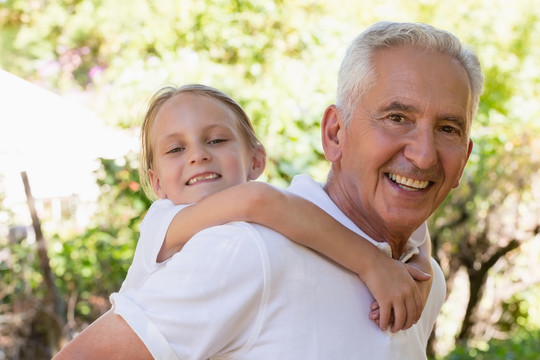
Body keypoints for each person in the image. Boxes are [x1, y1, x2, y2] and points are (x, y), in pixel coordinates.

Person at [54, 21, 483, 359]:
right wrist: (373, 263)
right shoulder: (245, 249)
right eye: (396, 118)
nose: (424, 155)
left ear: (462, 159)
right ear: (335, 133)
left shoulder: (422, 281)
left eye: (447, 129)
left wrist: (418, 264)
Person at [120, 84, 432, 335]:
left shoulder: (271, 224)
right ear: (156, 182)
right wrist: (373, 265)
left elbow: (419, 231)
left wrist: (417, 270)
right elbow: (259, 200)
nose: (198, 155)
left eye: (216, 140)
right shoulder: (163, 222)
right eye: (176, 149)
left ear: (256, 161)